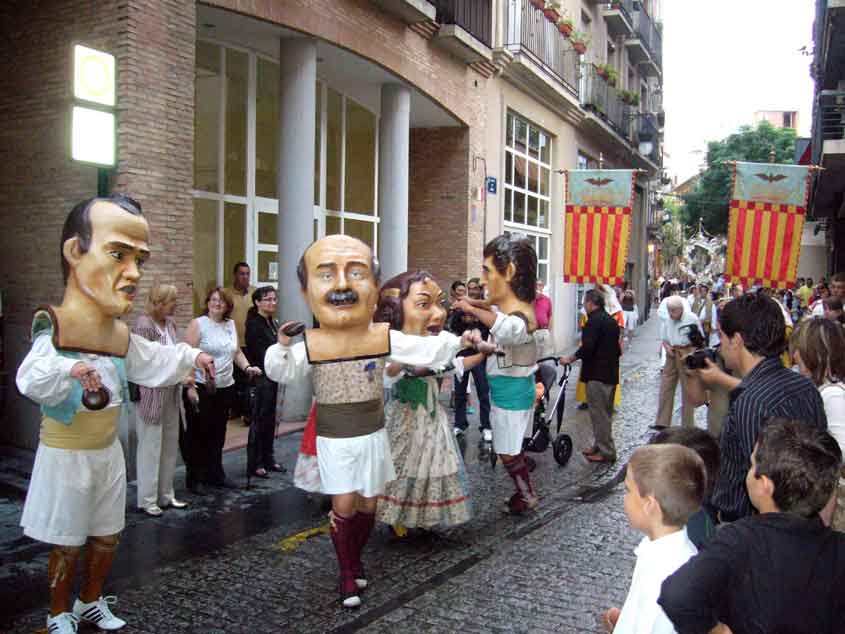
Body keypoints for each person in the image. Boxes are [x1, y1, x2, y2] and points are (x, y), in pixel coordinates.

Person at [16, 195, 215, 634]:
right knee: (67, 541)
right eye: (119, 254)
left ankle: (90, 601)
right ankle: (57, 612)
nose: (134, 273)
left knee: (106, 535)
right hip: (67, 454)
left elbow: (154, 358)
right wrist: (71, 367)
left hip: (107, 451)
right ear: (75, 252)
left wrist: (192, 356)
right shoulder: (57, 328)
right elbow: (30, 378)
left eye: (139, 259)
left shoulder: (118, 335)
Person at [264, 235, 471, 608]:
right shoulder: (312, 343)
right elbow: (282, 370)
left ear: (374, 288)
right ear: (306, 288)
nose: (342, 286)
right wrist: (280, 344)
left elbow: (422, 348)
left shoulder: (379, 337)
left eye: (356, 273)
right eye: (327, 275)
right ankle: (346, 574)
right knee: (343, 504)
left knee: (367, 506)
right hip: (335, 437)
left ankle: (355, 559)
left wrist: (458, 342)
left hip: (373, 435)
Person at [658, 422, 845, 634]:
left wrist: (716, 630)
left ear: (764, 485)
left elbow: (677, 594)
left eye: (752, 465)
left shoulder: (738, 540)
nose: (748, 472)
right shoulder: (838, 549)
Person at [707, 293, 827, 523]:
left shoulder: (751, 401)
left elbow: (768, 490)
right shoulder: (805, 387)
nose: (720, 347)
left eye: (722, 337)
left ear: (737, 340)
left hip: (753, 531)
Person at [375, 271, 474, 531]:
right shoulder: (392, 345)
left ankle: (424, 516)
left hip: (432, 418)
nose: (439, 313)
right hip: (406, 416)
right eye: (423, 304)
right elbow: (388, 376)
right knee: (403, 465)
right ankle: (398, 516)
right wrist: (400, 363)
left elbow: (455, 360)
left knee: (433, 466)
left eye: (440, 303)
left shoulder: (440, 344)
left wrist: (484, 350)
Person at [453, 235, 540, 515]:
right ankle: (524, 487)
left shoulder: (521, 316)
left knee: (507, 452)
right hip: (511, 391)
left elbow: (508, 329)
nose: (483, 280)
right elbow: (495, 315)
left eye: (487, 271)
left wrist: (469, 307)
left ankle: (526, 494)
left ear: (510, 272)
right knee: (510, 449)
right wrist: (473, 304)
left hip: (511, 394)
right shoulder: (510, 309)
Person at [601, 444, 706, 634]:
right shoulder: (657, 550)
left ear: (649, 505)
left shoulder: (668, 577)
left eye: (628, 490)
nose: (624, 499)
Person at [182, 288, 262, 492]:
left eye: (221, 301)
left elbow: (235, 352)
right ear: (207, 302)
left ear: (228, 306)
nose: (217, 303)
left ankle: (215, 474)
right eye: (213, 300)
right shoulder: (198, 324)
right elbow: (186, 354)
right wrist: (190, 384)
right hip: (201, 385)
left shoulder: (230, 325)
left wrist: (247, 367)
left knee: (218, 432)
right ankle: (195, 478)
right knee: (198, 433)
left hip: (225, 385)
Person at [131, 283, 190, 516]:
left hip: (171, 391)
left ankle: (166, 494)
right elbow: (145, 362)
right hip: (151, 393)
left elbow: (174, 357)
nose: (175, 305)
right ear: (158, 303)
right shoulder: (143, 325)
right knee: (150, 447)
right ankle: (147, 499)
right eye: (171, 301)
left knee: (168, 445)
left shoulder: (171, 324)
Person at [790, 317, 845, 531]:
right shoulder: (825, 390)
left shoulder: (832, 395)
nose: (795, 358)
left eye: (800, 351)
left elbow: (840, 453)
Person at [560, 289, 621, 463]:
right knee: (605, 414)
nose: (583, 306)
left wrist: (570, 358)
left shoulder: (593, 321)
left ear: (590, 303)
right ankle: (599, 445)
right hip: (610, 373)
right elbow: (617, 349)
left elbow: (587, 347)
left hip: (597, 375)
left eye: (585, 303)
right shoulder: (610, 320)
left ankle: (606, 452)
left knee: (599, 415)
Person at [244, 286, 285, 479]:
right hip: (261, 376)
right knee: (259, 420)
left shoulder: (272, 322)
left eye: (274, 299)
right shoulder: (254, 323)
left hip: (273, 375)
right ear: (257, 302)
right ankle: (256, 462)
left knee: (270, 420)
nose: (272, 303)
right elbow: (258, 351)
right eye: (267, 299)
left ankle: (268, 458)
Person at [450, 276, 491, 440]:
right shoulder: (460, 305)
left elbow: (487, 328)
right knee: (460, 391)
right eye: (470, 288)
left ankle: (486, 426)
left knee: (483, 391)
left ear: (480, 290)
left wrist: (474, 320)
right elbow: (454, 327)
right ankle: (460, 424)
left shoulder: (485, 307)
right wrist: (462, 318)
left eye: (476, 288)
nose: (473, 290)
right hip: (461, 353)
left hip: (479, 354)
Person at [653, 297, 703, 430]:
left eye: (674, 311)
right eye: (669, 311)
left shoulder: (691, 318)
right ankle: (662, 421)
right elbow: (664, 339)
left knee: (687, 388)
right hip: (672, 352)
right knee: (666, 386)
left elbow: (699, 338)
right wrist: (667, 347)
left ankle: (688, 424)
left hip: (686, 351)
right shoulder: (667, 320)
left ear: (681, 309)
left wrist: (692, 353)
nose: (671, 313)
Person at [224, 261, 255, 425]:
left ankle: (247, 413)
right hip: (232, 343)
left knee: (246, 381)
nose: (245, 277)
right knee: (234, 379)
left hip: (249, 343)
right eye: (242, 274)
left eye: (247, 274)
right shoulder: (226, 294)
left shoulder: (254, 293)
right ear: (235, 275)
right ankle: (235, 409)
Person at [533, 279, 553, 358]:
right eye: (537, 285)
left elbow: (550, 315)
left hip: (544, 331)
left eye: (540, 285)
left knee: (545, 356)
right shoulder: (530, 300)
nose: (538, 287)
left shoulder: (547, 300)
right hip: (533, 332)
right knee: (533, 357)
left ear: (543, 287)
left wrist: (548, 330)